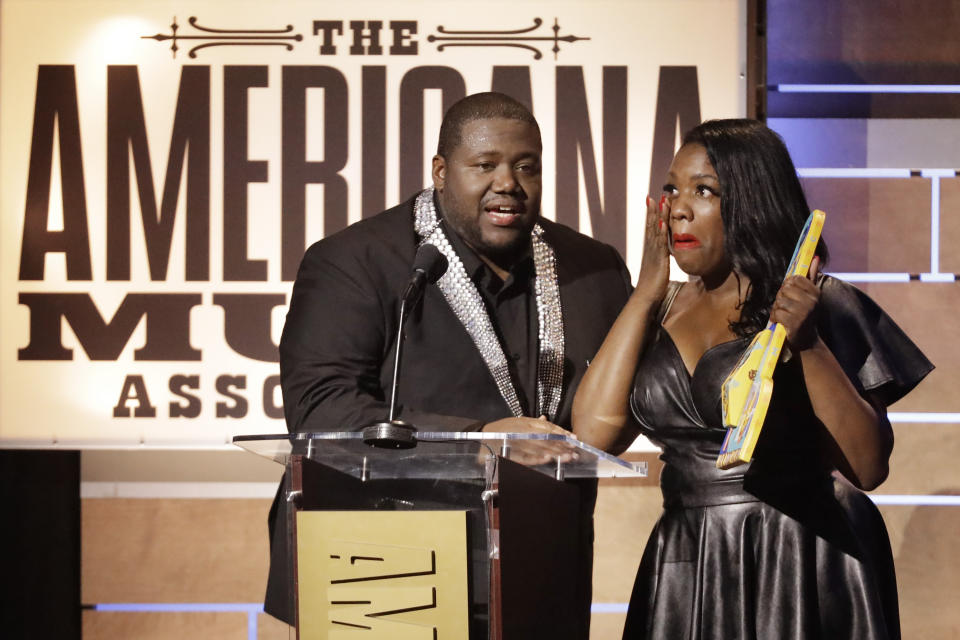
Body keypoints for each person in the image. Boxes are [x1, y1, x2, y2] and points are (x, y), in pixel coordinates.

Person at [264, 92, 633, 632]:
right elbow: (321, 410)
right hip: (386, 566)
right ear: (440, 171)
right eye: (484, 165)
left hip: (541, 562)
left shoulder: (592, 269)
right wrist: (480, 436)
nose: (507, 182)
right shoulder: (357, 261)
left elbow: (625, 398)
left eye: (525, 166)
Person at [572, 119, 932, 639]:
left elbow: (868, 466)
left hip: (797, 554)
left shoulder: (819, 302)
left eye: (704, 191)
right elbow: (593, 434)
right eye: (672, 188)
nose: (678, 207)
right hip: (687, 557)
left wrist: (806, 344)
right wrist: (648, 290)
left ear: (752, 200)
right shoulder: (661, 306)